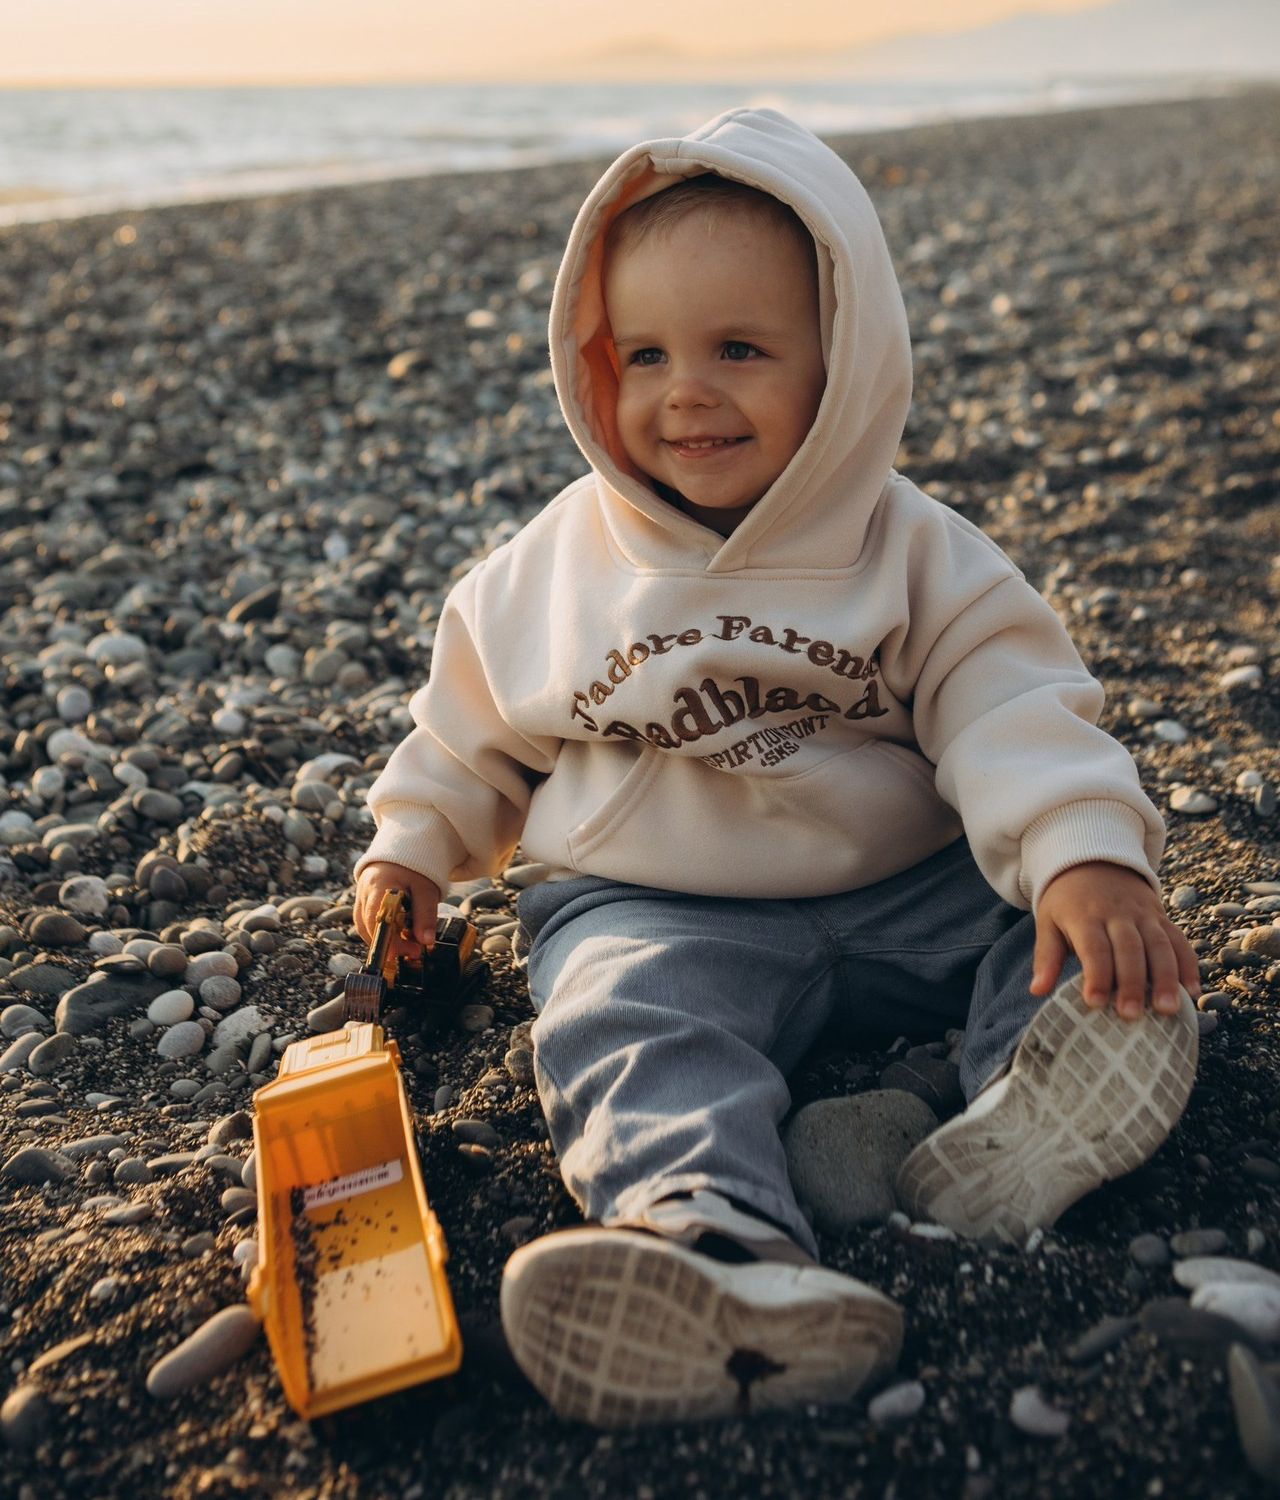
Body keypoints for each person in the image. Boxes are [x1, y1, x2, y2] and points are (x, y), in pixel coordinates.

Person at [353, 108, 1201, 1429]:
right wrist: (410, 847)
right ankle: (713, 1241)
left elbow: (1008, 699)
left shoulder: (910, 548)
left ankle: (1037, 1107)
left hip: (909, 874)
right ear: (594, 368)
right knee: (625, 1018)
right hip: (659, 899)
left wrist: (1084, 853)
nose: (685, 390)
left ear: (842, 367)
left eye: (739, 349)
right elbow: (466, 731)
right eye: (645, 355)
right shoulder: (557, 571)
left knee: (1038, 932)